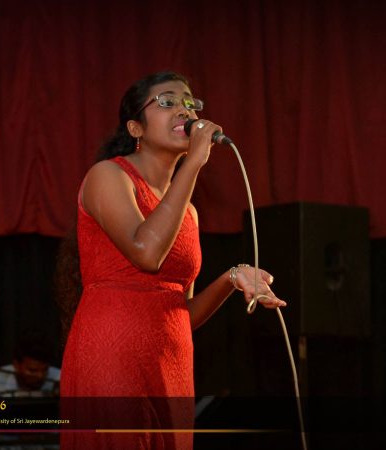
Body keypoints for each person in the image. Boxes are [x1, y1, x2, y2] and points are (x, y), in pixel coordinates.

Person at [60, 71, 285, 450]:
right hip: (114, 352)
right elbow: (146, 253)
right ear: (136, 128)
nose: (184, 110)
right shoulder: (108, 176)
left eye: (190, 103)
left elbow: (182, 314)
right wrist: (194, 162)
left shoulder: (188, 212)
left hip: (171, 365)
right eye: (167, 102)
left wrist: (232, 278)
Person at [0, 331, 61, 395]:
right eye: (32, 370)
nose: (40, 376)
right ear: (16, 365)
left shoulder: (59, 379)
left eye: (45, 370)